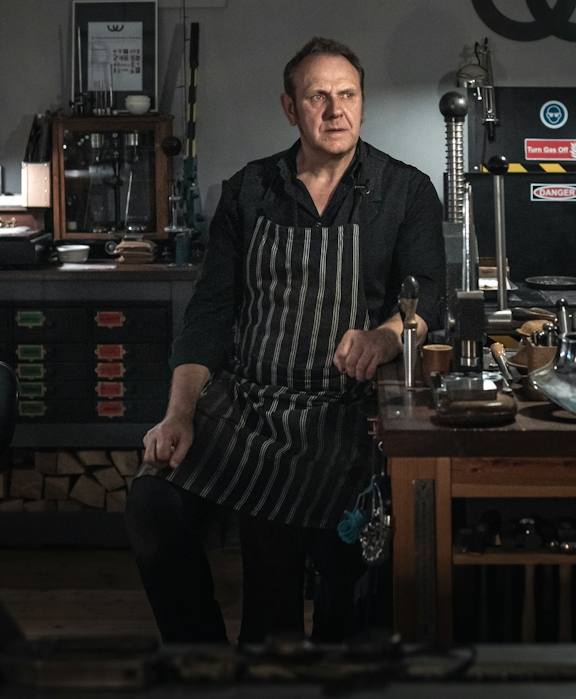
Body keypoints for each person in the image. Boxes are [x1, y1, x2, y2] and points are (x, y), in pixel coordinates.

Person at [125, 36, 445, 645]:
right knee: (151, 510)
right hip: (248, 407)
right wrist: (179, 415)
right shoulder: (250, 190)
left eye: (347, 94)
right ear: (289, 108)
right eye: (318, 96)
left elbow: (427, 299)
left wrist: (385, 336)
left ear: (363, 102)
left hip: (344, 418)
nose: (335, 110)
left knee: (331, 593)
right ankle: (208, 666)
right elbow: (210, 314)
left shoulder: (404, 191)